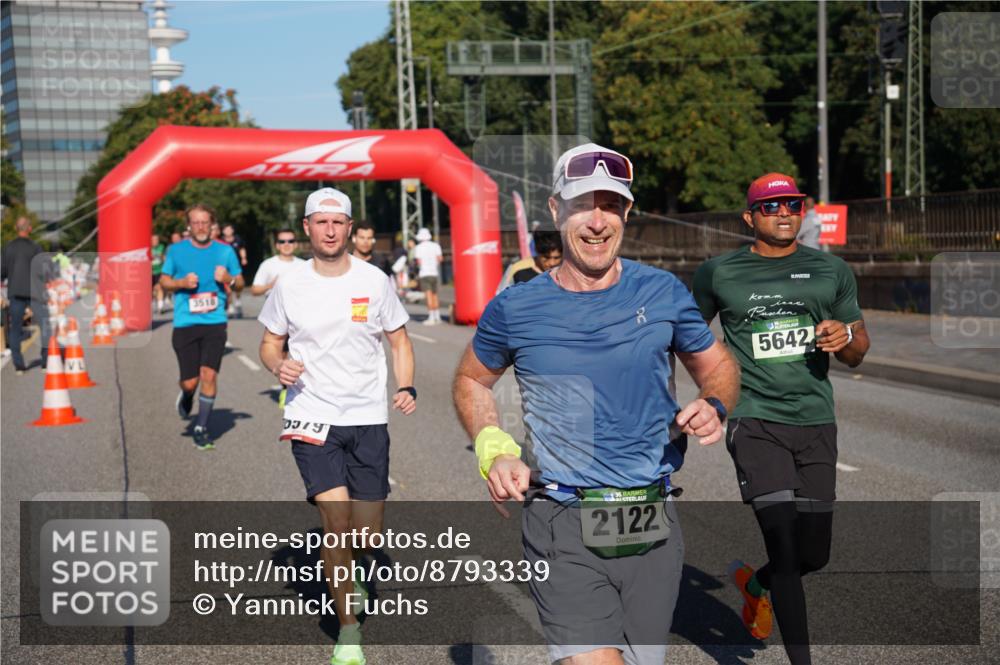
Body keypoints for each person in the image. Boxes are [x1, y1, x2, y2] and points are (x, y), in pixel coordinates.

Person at [453, 143, 740, 665]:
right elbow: (472, 380)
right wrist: (494, 449)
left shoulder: (663, 292)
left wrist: (714, 403)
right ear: (555, 209)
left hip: (652, 517)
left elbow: (718, 366)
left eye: (611, 205)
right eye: (582, 204)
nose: (597, 221)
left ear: (627, 213)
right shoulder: (516, 306)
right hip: (562, 518)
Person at [692, 173, 870, 665]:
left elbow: (858, 348)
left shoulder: (831, 270)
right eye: (771, 207)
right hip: (755, 421)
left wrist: (843, 339)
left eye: (793, 203)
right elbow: (688, 337)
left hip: (816, 421)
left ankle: (757, 584)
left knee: (813, 554)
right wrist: (707, 394)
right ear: (749, 218)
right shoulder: (718, 273)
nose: (785, 212)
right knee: (786, 547)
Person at [258, 187, 416, 665]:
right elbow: (269, 343)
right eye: (320, 222)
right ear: (307, 227)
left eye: (337, 222)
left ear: (349, 228)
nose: (329, 231)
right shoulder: (289, 284)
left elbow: (400, 341)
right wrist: (277, 365)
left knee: (367, 536)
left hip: (367, 418)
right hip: (312, 416)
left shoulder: (375, 280)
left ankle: (357, 570)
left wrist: (407, 386)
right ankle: (348, 631)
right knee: (337, 523)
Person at [159, 203, 243, 450]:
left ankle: (201, 427)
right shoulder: (176, 250)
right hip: (185, 322)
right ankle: (187, 395)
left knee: (209, 374)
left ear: (212, 224)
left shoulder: (225, 251)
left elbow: (240, 283)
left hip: (215, 322)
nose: (201, 227)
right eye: (196, 222)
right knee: (190, 382)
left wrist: (228, 279)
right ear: (189, 226)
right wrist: (181, 283)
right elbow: (164, 281)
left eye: (205, 222)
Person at [1, 217, 51, 374]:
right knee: (45, 325)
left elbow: (2, 273)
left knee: (15, 328)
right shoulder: (36, 247)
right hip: (35, 292)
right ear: (29, 228)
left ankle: (19, 365)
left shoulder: (8, 248)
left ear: (16, 228)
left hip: (15, 292)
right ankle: (45, 362)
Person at [251, 228, 304, 298]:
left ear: (296, 244)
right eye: (282, 242)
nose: (286, 244)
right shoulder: (267, 264)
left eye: (291, 241)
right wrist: (270, 286)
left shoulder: (304, 265)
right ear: (277, 245)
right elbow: (254, 290)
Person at [413, 227, 443, 325]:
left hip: (424, 273)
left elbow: (418, 261)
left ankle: (431, 317)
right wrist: (434, 264)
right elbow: (440, 259)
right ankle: (437, 316)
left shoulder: (418, 248)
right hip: (434, 273)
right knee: (435, 295)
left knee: (428, 295)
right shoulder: (436, 246)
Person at [221, 224, 248, 317]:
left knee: (237, 284)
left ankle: (238, 300)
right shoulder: (221, 241)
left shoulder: (237, 239)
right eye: (226, 229)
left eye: (229, 229)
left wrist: (243, 258)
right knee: (228, 287)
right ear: (223, 231)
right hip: (225, 267)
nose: (228, 231)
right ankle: (230, 306)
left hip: (236, 266)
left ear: (232, 230)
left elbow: (242, 249)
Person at [151, 233, 166, 314]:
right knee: (152, 291)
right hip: (149, 272)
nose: (155, 241)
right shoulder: (148, 248)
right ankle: (153, 303)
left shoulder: (161, 247)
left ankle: (160, 307)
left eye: (156, 239)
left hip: (159, 271)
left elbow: (162, 256)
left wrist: (161, 256)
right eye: (153, 240)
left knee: (159, 288)